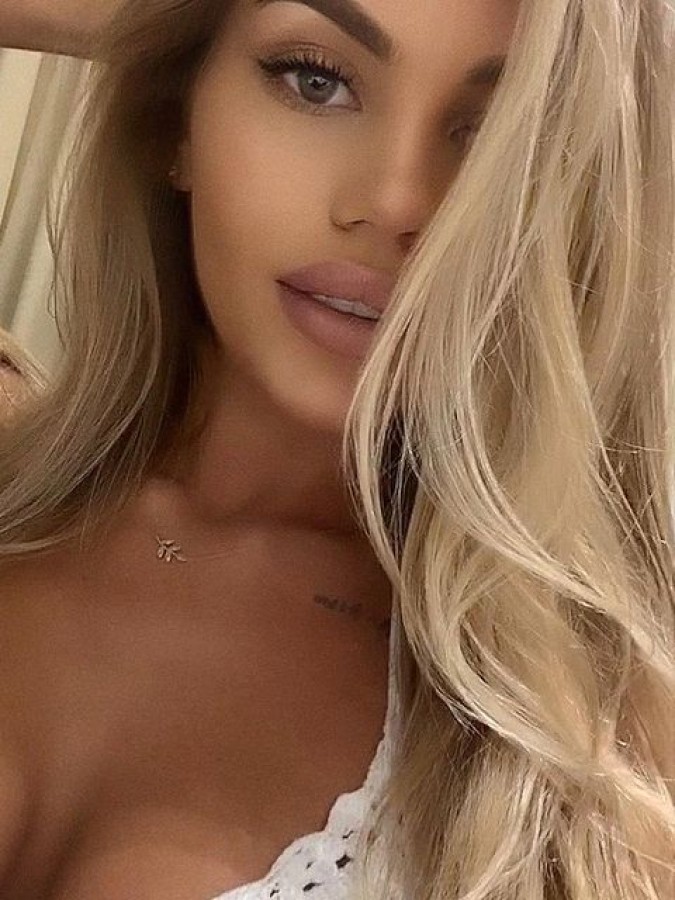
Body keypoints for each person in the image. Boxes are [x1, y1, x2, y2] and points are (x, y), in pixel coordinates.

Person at [0, 1, 673, 898]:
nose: (394, 202)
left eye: (494, 133)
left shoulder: (593, 742)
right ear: (175, 122)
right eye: (314, 81)